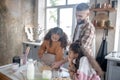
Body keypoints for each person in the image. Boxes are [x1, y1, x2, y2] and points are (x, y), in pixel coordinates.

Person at [52, 3, 96, 70]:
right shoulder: (79, 25)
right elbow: (76, 44)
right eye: (76, 15)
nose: (77, 18)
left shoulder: (89, 28)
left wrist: (61, 62)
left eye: (80, 16)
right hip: (75, 61)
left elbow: (80, 50)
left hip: (83, 63)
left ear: (87, 14)